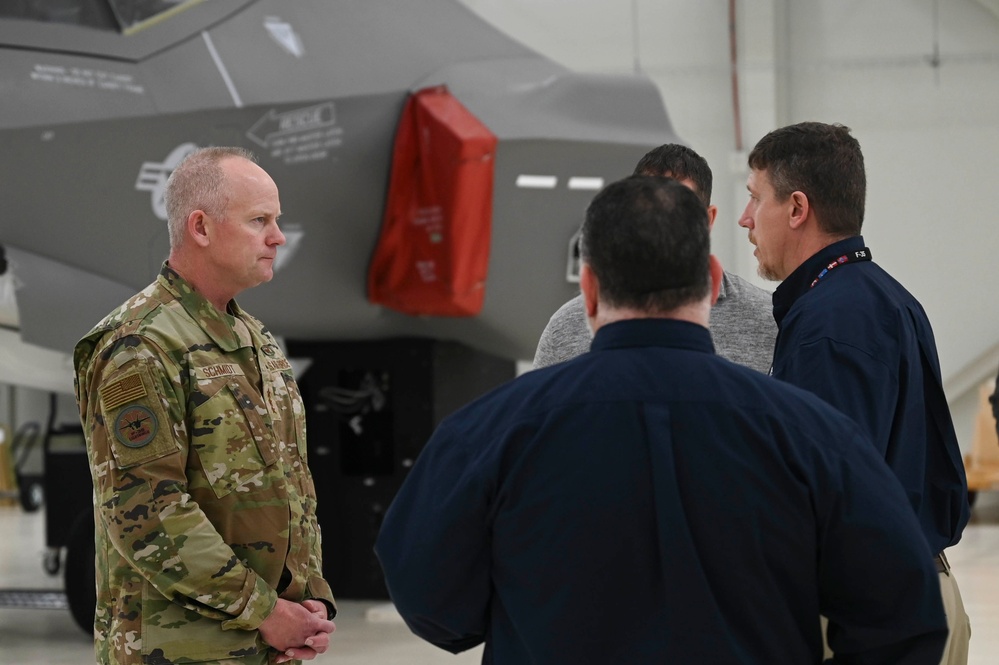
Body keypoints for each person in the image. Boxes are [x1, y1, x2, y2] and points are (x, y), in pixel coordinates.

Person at [375, 175, 947, 664]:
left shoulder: (488, 433)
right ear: (711, 276)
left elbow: (428, 596)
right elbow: (901, 611)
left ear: (591, 287)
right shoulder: (811, 434)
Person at [73, 147, 336, 665]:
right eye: (259, 220)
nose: (277, 237)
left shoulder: (253, 339)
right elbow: (146, 514)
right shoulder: (139, 345)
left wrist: (307, 604)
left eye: (276, 220)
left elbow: (291, 488)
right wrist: (268, 613)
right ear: (200, 227)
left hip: (261, 647)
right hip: (179, 652)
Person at [738, 121, 971, 664]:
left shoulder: (830, 326)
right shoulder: (884, 298)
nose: (747, 219)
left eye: (754, 199)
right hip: (916, 595)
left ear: (797, 208)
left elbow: (824, 504)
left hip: (875, 616)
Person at [533, 143, 775, 373]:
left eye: (679, 212)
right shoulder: (566, 328)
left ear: (708, 220)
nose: (661, 225)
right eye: (647, 210)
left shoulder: (770, 320)